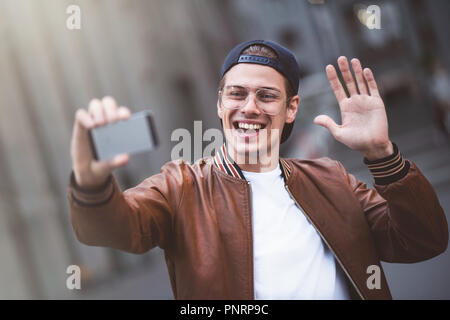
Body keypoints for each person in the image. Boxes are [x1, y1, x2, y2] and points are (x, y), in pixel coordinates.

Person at [67, 40, 448, 300]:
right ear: (220, 104)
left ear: (292, 108)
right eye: (236, 93)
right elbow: (112, 226)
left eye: (267, 96)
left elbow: (424, 239)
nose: (249, 107)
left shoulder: (331, 179)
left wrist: (382, 154)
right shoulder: (181, 186)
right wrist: (91, 180)